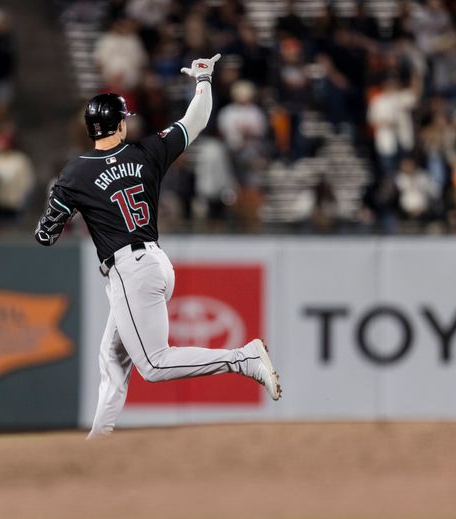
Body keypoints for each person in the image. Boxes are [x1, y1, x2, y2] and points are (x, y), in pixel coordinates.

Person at [34, 54, 281, 439]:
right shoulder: (144, 152)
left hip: (130, 270)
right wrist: (203, 79)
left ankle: (243, 358)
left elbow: (45, 234)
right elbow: (195, 120)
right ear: (119, 123)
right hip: (154, 262)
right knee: (112, 359)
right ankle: (97, 443)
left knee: (153, 364)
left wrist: (64, 206)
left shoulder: (75, 172)